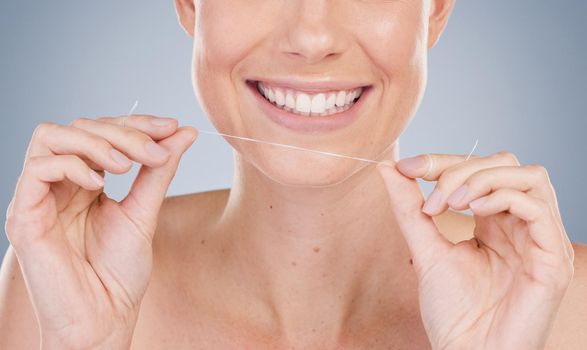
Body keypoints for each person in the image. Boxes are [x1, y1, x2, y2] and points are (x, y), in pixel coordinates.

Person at [1, 0, 585, 348]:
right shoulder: (65, 280)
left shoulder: (564, 301)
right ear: (188, 5)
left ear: (434, 10)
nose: (312, 37)